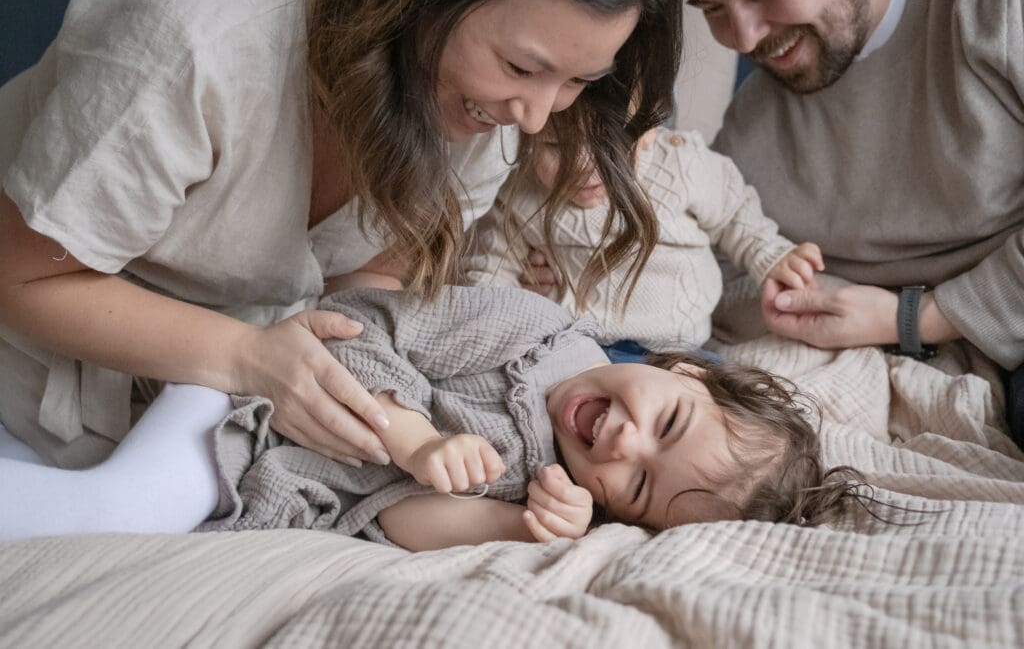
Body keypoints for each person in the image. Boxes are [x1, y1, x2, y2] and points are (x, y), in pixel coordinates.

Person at [0, 0, 683, 471]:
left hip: (221, 396)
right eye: (520, 66)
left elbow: (365, 293)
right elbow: (21, 277)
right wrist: (245, 356)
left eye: (577, 81)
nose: (535, 116)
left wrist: (403, 412)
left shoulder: (485, 108)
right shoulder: (196, 34)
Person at [0, 285, 867, 548]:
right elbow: (361, 324)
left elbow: (395, 517)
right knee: (112, 514)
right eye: (667, 420)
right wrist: (412, 432)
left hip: (258, 471)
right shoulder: (540, 338)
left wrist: (517, 527)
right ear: (685, 370)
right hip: (241, 391)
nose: (622, 442)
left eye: (637, 487)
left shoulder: (556, 489)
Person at [680, 0, 1024, 446]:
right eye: (712, 9)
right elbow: (706, 273)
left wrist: (913, 318)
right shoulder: (750, 134)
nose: (742, 38)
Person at [465, 123, 824, 356]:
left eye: (609, 140)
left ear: (649, 129)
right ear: (526, 137)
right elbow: (490, 272)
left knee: (720, 408)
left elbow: (734, 212)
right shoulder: (516, 193)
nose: (583, 166)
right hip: (574, 347)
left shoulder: (679, 164)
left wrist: (770, 254)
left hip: (678, 350)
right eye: (556, 145)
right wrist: (497, 318)